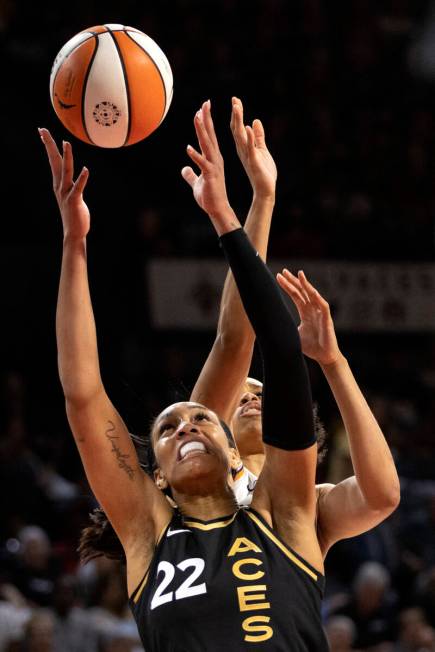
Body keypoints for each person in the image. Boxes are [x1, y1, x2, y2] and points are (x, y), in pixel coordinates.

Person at [39, 93, 332, 651]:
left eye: (201, 418)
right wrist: (74, 244)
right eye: (168, 429)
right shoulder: (148, 534)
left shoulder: (283, 507)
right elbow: (82, 393)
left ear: (232, 452)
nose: (188, 427)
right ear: (156, 478)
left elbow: (276, 351)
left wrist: (229, 216)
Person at [188, 100, 401, 558]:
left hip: (290, 634)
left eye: (260, 391)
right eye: (239, 394)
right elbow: (234, 341)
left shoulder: (313, 504)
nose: (249, 396)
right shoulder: (198, 475)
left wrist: (334, 363)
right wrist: (258, 204)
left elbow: (382, 495)